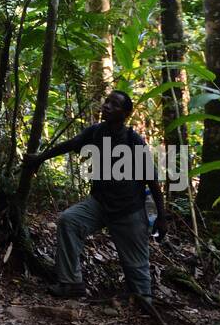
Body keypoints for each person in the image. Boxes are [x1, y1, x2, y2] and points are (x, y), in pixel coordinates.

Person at [24, 89, 169, 303]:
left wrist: (162, 217)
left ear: (126, 114)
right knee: (69, 220)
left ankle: (144, 302)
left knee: (137, 269)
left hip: (128, 210)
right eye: (107, 101)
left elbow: (152, 181)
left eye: (115, 104)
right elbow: (70, 145)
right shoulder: (96, 132)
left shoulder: (133, 140)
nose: (107, 106)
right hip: (99, 204)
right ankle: (71, 283)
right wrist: (40, 158)